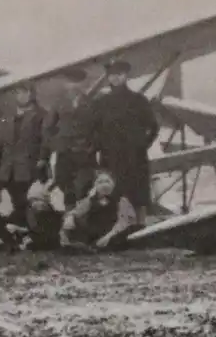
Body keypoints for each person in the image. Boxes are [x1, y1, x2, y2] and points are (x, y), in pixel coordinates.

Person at [92, 60, 160, 226]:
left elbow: (153, 126)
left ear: (126, 75)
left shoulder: (138, 100)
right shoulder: (101, 103)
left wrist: (142, 145)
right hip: (111, 157)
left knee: (138, 194)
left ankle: (141, 228)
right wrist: (100, 147)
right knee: (112, 194)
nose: (115, 78)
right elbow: (94, 128)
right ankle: (115, 232)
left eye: (119, 74)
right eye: (112, 75)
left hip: (134, 156)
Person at [0, 82, 58, 225]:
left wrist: (42, 158)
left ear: (31, 94)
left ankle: (34, 230)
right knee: (14, 203)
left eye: (25, 92)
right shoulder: (6, 117)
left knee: (31, 201)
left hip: (30, 167)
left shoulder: (41, 115)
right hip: (8, 169)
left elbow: (46, 139)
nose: (22, 96)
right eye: (18, 93)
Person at [51, 68, 98, 211]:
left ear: (83, 84)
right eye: (70, 82)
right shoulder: (58, 104)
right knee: (65, 185)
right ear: (66, 84)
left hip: (84, 153)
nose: (74, 85)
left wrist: (92, 145)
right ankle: (69, 218)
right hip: (65, 153)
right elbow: (48, 128)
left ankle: (83, 217)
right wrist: (58, 143)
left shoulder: (90, 103)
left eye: (77, 82)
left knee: (84, 185)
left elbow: (97, 126)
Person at [59, 170, 137, 251]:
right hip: (94, 234)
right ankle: (82, 246)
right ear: (95, 186)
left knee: (125, 233)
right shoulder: (90, 200)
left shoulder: (121, 200)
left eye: (107, 181)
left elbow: (123, 222)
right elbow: (77, 211)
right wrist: (70, 217)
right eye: (100, 182)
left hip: (113, 233)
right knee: (72, 223)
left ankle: (93, 247)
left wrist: (108, 237)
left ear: (113, 184)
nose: (104, 185)